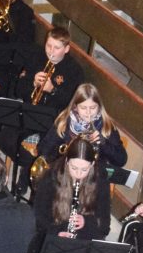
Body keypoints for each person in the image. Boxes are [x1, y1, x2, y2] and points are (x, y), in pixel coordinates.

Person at [8, 25, 85, 195]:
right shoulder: (35, 58)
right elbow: (17, 89)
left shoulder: (74, 70)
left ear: (66, 49)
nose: (51, 51)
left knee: (45, 148)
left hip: (55, 122)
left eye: (56, 48)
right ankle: (24, 171)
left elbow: (73, 103)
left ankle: (34, 181)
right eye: (48, 45)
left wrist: (53, 90)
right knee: (7, 137)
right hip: (30, 112)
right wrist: (31, 82)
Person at [38, 83, 128, 176]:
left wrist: (104, 143)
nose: (88, 112)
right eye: (83, 108)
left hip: (93, 175)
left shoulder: (106, 126)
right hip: (65, 171)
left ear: (99, 106)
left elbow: (121, 160)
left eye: (93, 107)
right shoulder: (64, 122)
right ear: (75, 107)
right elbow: (43, 149)